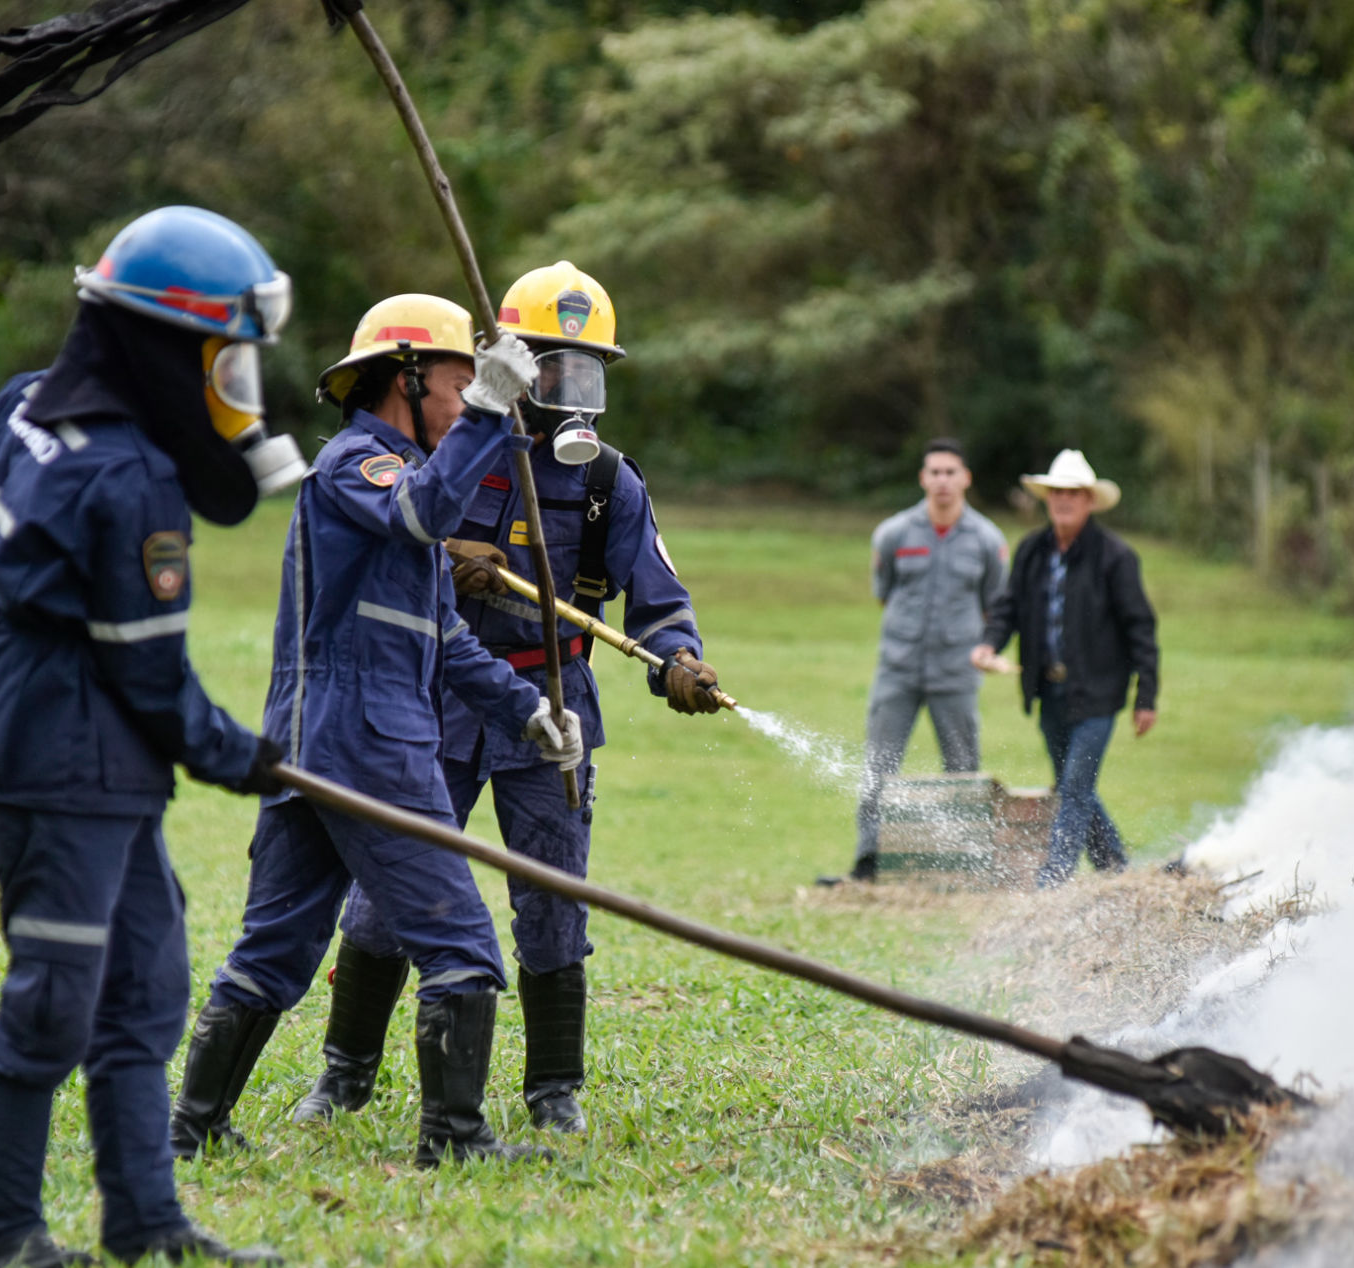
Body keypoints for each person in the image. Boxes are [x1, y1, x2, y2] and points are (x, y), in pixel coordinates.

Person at [0, 206, 299, 1267]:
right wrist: (243, 755)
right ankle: (3, 1234)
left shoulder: (28, 408)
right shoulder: (128, 477)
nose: (233, 378)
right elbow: (151, 672)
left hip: (85, 738)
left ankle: (146, 1221)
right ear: (164, 345)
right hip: (57, 740)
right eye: (222, 354)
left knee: (146, 986)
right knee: (55, 998)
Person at [288, 261, 720, 1137]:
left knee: (554, 897)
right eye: (552, 367)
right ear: (513, 364)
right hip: (436, 697)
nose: (568, 391)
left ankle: (553, 1090)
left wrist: (677, 660)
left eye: (587, 372)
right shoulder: (451, 451)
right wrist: (452, 562)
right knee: (393, 887)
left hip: (552, 708)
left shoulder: (610, 485)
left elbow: (661, 601)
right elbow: (393, 532)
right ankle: (344, 1075)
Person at [169, 293, 585, 1169]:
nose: (473, 390)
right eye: (459, 377)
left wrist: (529, 711)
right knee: (462, 945)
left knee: (275, 948)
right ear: (406, 378)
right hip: (368, 744)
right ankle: (456, 1137)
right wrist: (484, 416)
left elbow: (447, 643)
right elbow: (424, 512)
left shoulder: (412, 484)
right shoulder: (361, 467)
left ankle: (192, 1126)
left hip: (318, 747)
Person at [969, 449, 1158, 888]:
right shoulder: (1032, 551)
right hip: (1048, 692)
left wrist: (1146, 695)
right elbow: (1007, 608)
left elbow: (1140, 628)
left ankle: (1050, 885)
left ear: (1090, 500)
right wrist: (988, 645)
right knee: (1075, 789)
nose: (1064, 501)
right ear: (1046, 498)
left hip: (1098, 693)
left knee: (1073, 789)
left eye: (1073, 493)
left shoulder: (1115, 557)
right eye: (1057, 492)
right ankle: (1118, 873)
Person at [826, 439, 1008, 886]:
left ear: (966, 478)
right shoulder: (893, 533)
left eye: (951, 472)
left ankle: (965, 864)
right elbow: (883, 591)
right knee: (879, 765)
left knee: (962, 768)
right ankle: (868, 862)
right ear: (922, 478)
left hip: (956, 672)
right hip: (899, 668)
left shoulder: (987, 540)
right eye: (934, 472)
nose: (943, 481)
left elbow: (995, 606)